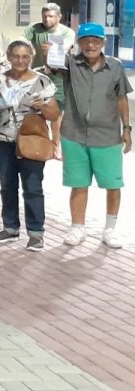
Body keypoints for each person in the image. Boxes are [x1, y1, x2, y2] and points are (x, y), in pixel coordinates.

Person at [52, 23, 132, 248]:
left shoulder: (115, 66)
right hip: (74, 134)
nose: (90, 45)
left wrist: (127, 128)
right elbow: (53, 61)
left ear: (103, 43)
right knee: (78, 184)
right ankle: (77, 227)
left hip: (107, 135)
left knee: (113, 184)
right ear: (78, 42)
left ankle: (110, 229)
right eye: (85, 40)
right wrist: (55, 48)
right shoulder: (69, 64)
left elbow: (122, 98)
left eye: (95, 40)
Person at [0, 39, 58, 251]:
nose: (21, 60)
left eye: (25, 56)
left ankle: (36, 233)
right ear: (9, 57)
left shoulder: (43, 81)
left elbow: (54, 114)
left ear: (31, 57)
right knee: (7, 185)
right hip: (2, 140)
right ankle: (10, 228)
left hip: (32, 140)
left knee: (33, 187)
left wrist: (43, 106)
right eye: (16, 56)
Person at [25, 2, 76, 157]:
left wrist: (53, 50)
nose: (47, 19)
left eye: (51, 16)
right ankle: (37, 144)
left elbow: (66, 47)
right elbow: (22, 40)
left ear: (59, 17)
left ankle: (55, 146)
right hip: (38, 76)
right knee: (34, 110)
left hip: (58, 77)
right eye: (44, 16)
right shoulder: (35, 29)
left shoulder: (67, 32)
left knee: (57, 113)